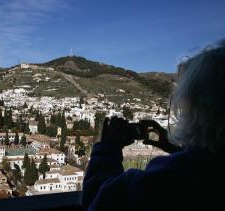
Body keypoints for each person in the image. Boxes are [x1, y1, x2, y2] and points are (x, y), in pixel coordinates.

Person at [82, 41, 225, 211]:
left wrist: (108, 148)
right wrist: (174, 148)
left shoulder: (167, 178)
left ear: (199, 109)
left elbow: (96, 201)